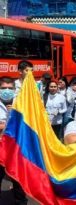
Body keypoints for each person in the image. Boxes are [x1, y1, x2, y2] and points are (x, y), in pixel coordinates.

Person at [0, 76, 28, 205]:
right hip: (0, 149)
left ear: (14, 89)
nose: (7, 90)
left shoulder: (21, 104)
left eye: (10, 88)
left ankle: (20, 201)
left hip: (17, 149)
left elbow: (28, 125)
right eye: (3, 88)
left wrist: (14, 116)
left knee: (18, 179)